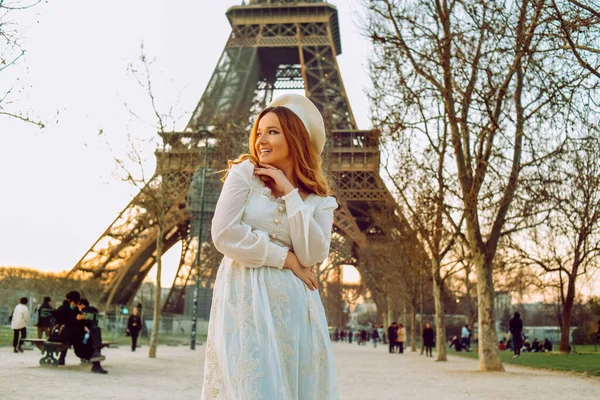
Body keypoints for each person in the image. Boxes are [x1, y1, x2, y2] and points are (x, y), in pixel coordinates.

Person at [200, 94, 339, 399]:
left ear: (296, 138)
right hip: (245, 298)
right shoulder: (244, 174)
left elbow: (312, 254)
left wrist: (291, 194)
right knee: (251, 386)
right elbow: (224, 233)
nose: (261, 139)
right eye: (259, 132)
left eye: (272, 131)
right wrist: (285, 259)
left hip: (296, 308)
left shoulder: (319, 202)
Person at [75, 298, 108, 374]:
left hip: (88, 334)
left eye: (79, 305)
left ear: (82, 304)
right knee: (96, 334)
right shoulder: (93, 311)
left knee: (95, 334)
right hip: (83, 335)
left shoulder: (84, 312)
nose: (78, 306)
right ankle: (97, 363)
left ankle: (96, 362)